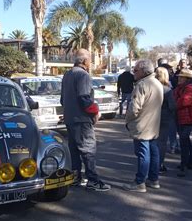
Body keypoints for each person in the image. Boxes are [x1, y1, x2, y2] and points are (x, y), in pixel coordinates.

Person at [61, 49, 111, 191]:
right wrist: (95, 112)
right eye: (90, 59)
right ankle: (93, 180)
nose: (91, 62)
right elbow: (84, 97)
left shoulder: (67, 74)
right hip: (81, 119)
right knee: (88, 149)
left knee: (74, 149)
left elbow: (62, 98)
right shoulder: (83, 75)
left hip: (70, 118)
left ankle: (76, 178)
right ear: (84, 61)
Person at [122, 60, 164, 193]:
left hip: (142, 124)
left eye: (136, 70)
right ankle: (153, 179)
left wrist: (127, 120)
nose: (134, 73)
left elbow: (134, 108)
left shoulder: (142, 84)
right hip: (153, 123)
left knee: (143, 153)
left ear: (143, 71)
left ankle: (140, 182)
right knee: (153, 151)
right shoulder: (157, 83)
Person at [174, 68, 192, 177]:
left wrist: (174, 103)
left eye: (181, 77)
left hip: (187, 117)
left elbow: (184, 101)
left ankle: (184, 165)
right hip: (181, 117)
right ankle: (190, 163)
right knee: (186, 141)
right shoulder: (181, 88)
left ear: (187, 79)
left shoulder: (190, 89)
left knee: (184, 142)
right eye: (179, 77)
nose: (179, 78)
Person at [155, 67, 176, 173]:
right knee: (162, 142)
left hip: (151, 117)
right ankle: (159, 165)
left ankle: (152, 163)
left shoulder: (151, 87)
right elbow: (172, 106)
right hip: (164, 117)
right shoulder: (167, 90)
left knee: (152, 142)